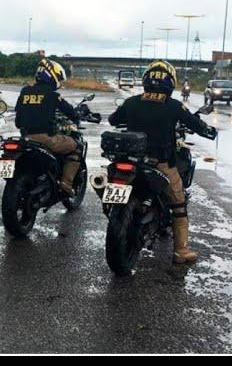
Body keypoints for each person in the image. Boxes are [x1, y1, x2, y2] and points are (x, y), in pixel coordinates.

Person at [108, 60, 217, 264]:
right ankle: (181, 251)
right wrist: (210, 131)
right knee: (179, 204)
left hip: (129, 160)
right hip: (160, 164)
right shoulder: (174, 105)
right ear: (170, 82)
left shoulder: (131, 102)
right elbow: (197, 125)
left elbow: (113, 120)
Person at [15, 58, 81, 196]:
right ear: (51, 75)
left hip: (25, 137)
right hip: (45, 139)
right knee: (76, 147)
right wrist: (76, 118)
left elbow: (18, 120)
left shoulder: (25, 91)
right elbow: (70, 111)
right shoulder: (52, 95)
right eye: (58, 78)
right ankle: (66, 183)